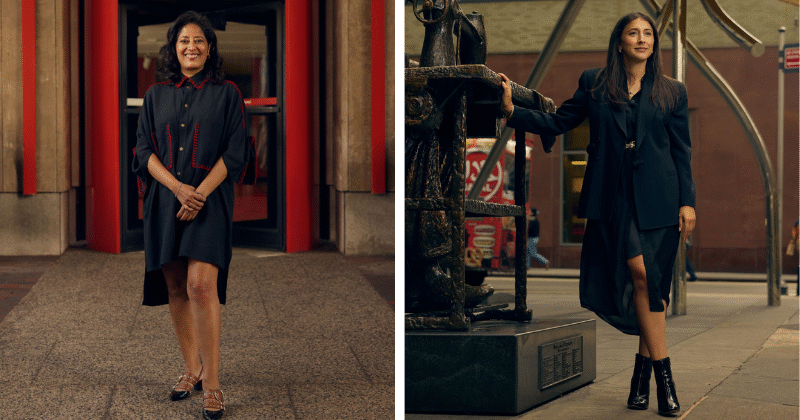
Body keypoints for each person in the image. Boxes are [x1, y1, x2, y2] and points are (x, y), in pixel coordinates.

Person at [500, 12, 696, 416]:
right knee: (640, 274)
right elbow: (561, 120)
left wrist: (688, 201)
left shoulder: (672, 92)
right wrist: (512, 112)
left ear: (654, 44)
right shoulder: (595, 82)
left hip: (661, 198)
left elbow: (682, 151)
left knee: (652, 286)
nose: (642, 39)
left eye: (648, 34)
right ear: (619, 42)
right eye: (633, 33)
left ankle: (640, 381)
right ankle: (665, 382)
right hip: (614, 196)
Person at [132, 11, 251, 420]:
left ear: (210, 48)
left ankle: (213, 385)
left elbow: (236, 151)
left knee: (202, 284)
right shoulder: (155, 95)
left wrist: (197, 193)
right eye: (184, 41)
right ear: (174, 47)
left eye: (199, 41)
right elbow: (144, 153)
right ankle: (191, 368)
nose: (191, 47)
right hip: (166, 200)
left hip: (210, 201)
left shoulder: (227, 93)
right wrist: (177, 188)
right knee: (177, 284)